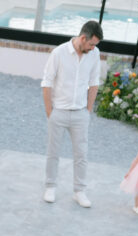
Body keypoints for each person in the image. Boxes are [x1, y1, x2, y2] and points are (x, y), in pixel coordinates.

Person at [42, 19, 103, 208]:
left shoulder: (94, 54)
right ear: (83, 38)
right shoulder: (59, 53)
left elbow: (94, 83)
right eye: (91, 44)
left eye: (95, 45)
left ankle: (79, 191)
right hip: (58, 112)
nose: (93, 48)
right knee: (53, 152)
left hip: (80, 113)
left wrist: (88, 110)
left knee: (81, 154)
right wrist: (50, 112)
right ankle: (50, 186)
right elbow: (47, 83)